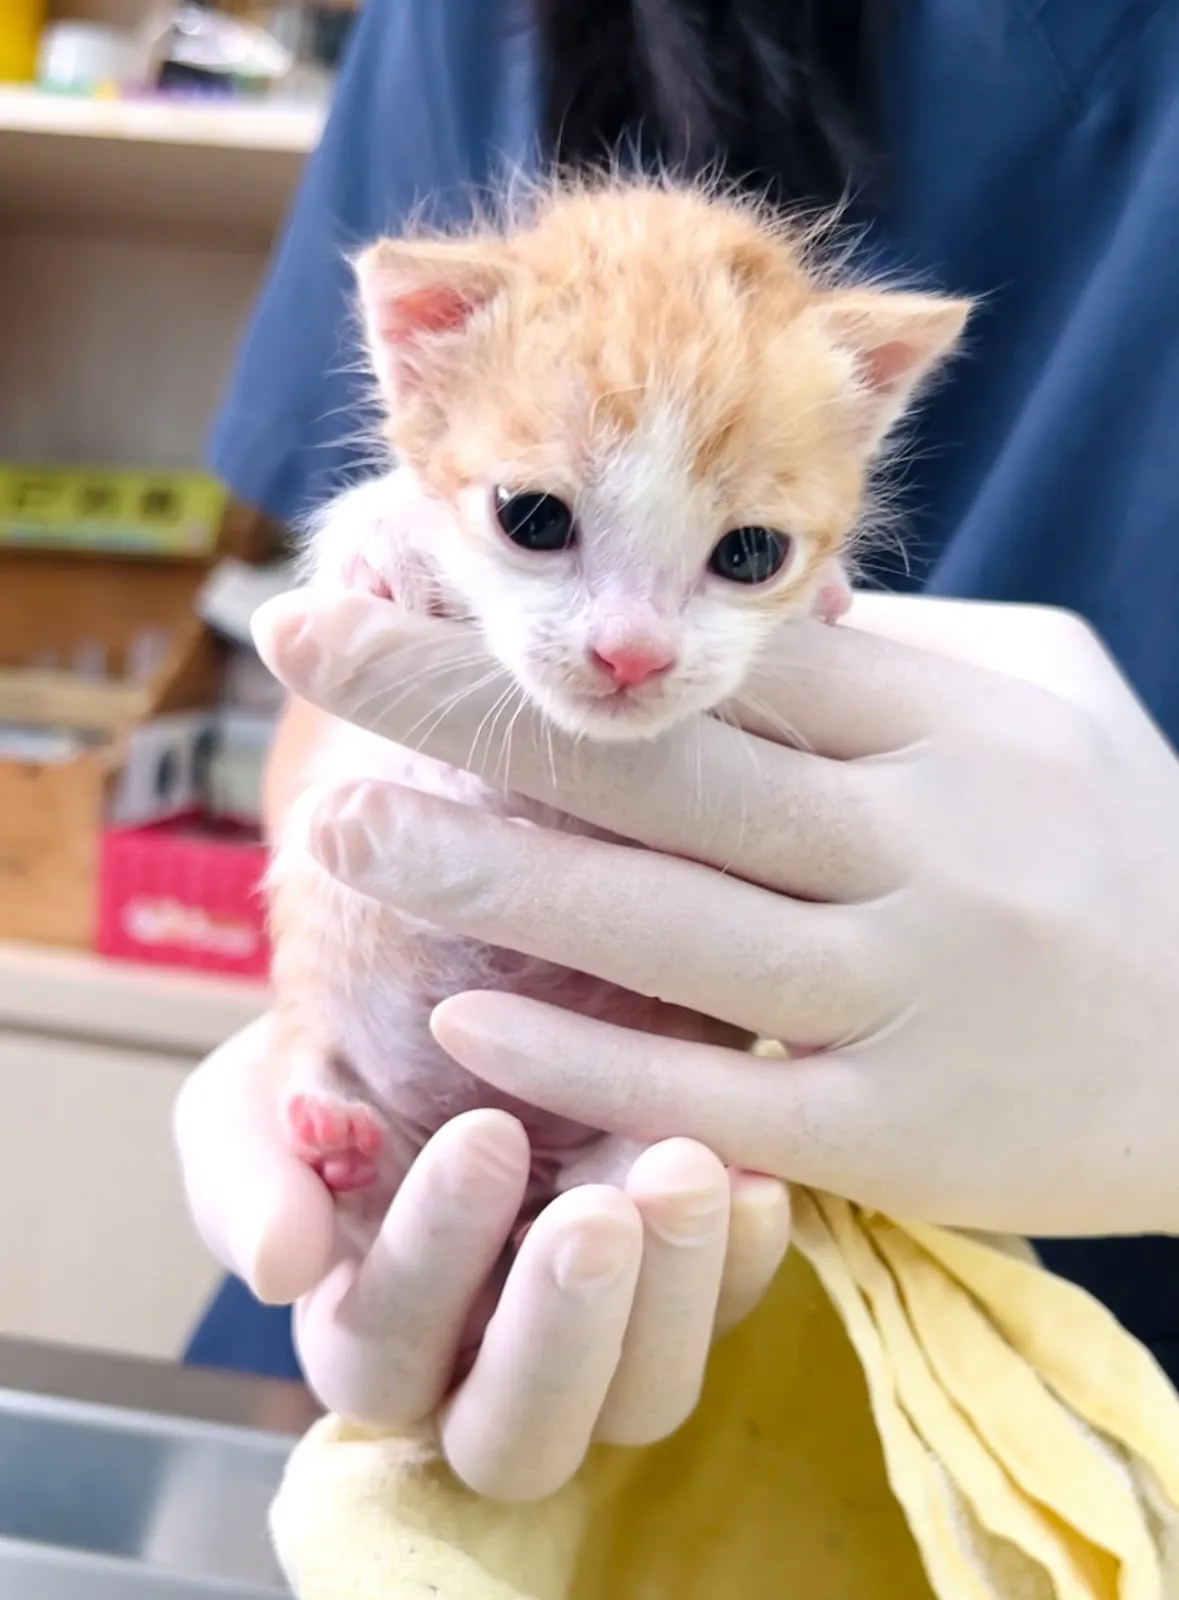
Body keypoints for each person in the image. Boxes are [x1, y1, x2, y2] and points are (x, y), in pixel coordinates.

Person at [176, 0, 1179, 1498]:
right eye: (535, 523)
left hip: (1044, 1354)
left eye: (745, 553)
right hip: (379, 1313)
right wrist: (334, 998)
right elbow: (335, 702)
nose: (631, 652)